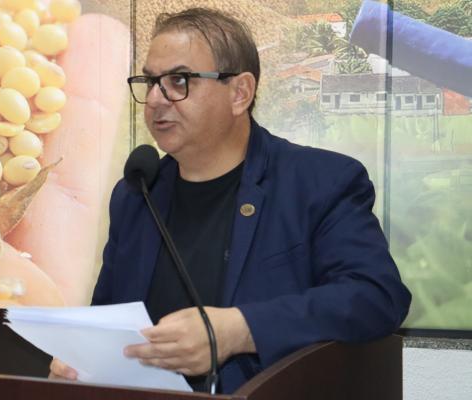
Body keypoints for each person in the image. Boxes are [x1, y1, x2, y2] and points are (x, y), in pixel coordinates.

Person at [50, 7, 412, 394]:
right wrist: (82, 360)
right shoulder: (137, 193)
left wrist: (239, 330)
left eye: (178, 80)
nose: (155, 99)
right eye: (150, 81)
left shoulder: (319, 183)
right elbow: (108, 316)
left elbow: (376, 297)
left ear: (240, 93)